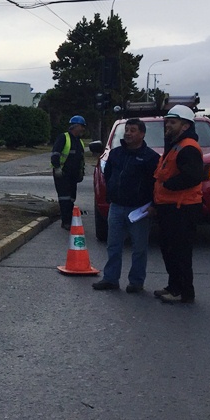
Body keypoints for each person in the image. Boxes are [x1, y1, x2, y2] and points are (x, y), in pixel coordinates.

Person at [92, 118, 159, 293]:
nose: (128, 133)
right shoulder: (115, 154)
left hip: (139, 210)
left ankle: (136, 282)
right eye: (127, 130)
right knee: (113, 245)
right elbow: (108, 176)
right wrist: (113, 193)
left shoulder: (151, 157)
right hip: (116, 207)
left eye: (133, 130)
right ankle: (111, 279)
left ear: (142, 134)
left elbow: (157, 184)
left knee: (139, 248)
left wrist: (153, 205)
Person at [153, 105, 204, 304]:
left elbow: (192, 176)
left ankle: (182, 291)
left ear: (185, 125)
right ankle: (174, 286)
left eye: (172, 122)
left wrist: (168, 185)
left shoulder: (188, 146)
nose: (168, 125)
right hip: (171, 206)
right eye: (167, 121)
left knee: (179, 251)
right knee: (170, 249)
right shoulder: (175, 144)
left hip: (181, 208)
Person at [51, 115, 87, 229]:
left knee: (71, 198)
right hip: (62, 173)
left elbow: (81, 159)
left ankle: (69, 218)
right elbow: (55, 154)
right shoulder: (64, 138)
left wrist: (81, 172)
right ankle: (65, 221)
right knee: (64, 198)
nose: (83, 129)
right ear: (75, 127)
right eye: (82, 126)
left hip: (73, 175)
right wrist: (57, 168)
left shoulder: (79, 142)